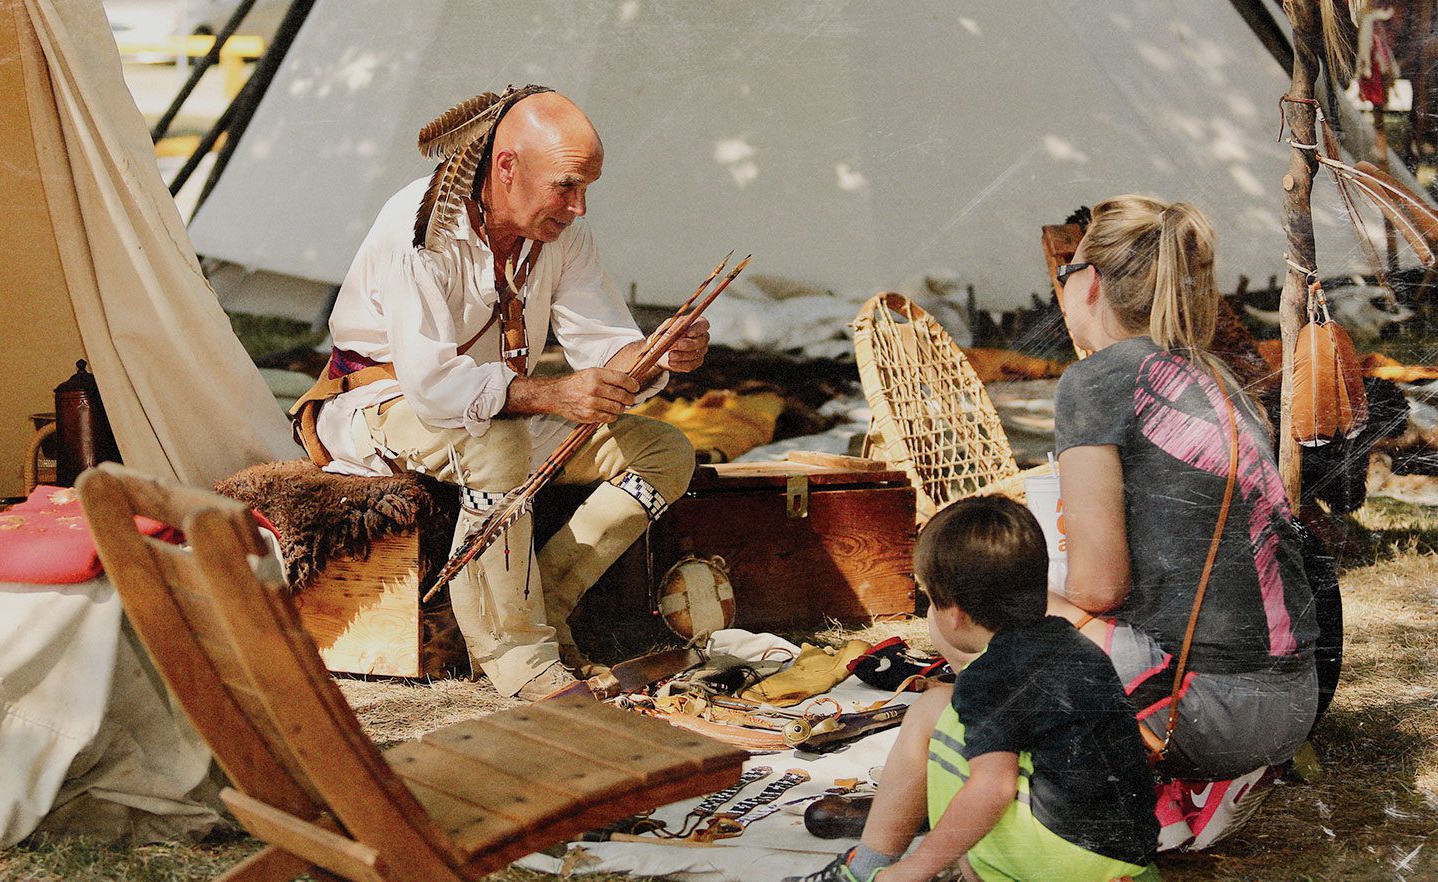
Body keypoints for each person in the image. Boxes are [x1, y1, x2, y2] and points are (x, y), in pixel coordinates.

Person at [290, 86, 708, 700]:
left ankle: (553, 602)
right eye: (566, 186)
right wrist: (555, 396)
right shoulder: (419, 232)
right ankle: (517, 656)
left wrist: (656, 355)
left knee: (663, 451)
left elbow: (605, 348)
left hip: (500, 413)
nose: (579, 207)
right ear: (506, 166)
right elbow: (433, 388)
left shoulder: (559, 231)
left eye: (587, 187)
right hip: (378, 407)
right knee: (500, 443)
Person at [1049, 196, 1318, 784]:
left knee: (982, 597)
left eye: (1066, 270)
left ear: (1089, 281)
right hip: (1294, 702)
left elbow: (1099, 585)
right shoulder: (1216, 378)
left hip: (1203, 711)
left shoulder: (1095, 381)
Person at [791, 496, 1160, 882]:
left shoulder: (987, 677)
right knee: (949, 712)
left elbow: (993, 788)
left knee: (938, 718)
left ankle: (866, 871)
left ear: (954, 615)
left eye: (930, 601)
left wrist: (915, 869)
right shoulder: (1072, 642)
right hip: (1126, 857)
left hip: (1066, 864)